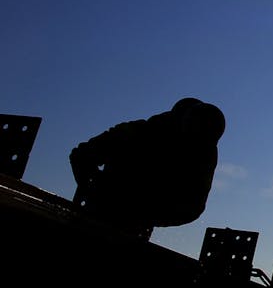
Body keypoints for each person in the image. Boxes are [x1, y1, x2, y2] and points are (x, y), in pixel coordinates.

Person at [70, 97, 226, 236]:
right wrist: (96, 190)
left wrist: (145, 216)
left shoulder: (203, 155)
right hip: (94, 220)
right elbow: (81, 156)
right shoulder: (136, 132)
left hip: (134, 231)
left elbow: (193, 207)